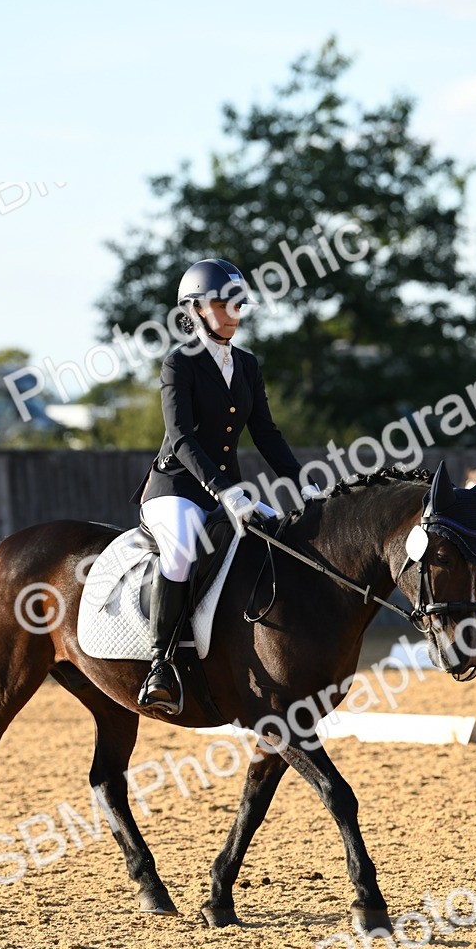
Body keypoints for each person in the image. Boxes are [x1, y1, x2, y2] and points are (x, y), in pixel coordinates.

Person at [130, 257, 319, 713]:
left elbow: (267, 433)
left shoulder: (248, 365)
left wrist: (303, 485)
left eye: (238, 305)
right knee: (179, 551)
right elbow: (182, 438)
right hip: (175, 489)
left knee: (287, 538)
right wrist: (225, 490)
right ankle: (161, 664)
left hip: (226, 489)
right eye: (223, 304)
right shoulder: (179, 363)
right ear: (194, 309)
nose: (233, 314)